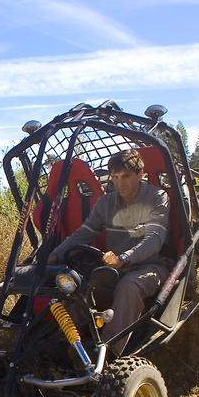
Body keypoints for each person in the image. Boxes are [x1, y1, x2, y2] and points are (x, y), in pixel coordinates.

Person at [48, 148, 169, 355]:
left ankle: (108, 352)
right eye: (115, 177)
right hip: (114, 267)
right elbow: (84, 232)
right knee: (79, 287)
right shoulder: (106, 203)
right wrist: (56, 254)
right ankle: (64, 346)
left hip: (151, 266)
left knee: (129, 286)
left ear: (141, 174)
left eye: (126, 176)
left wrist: (124, 258)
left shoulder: (156, 197)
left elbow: (154, 239)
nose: (120, 183)